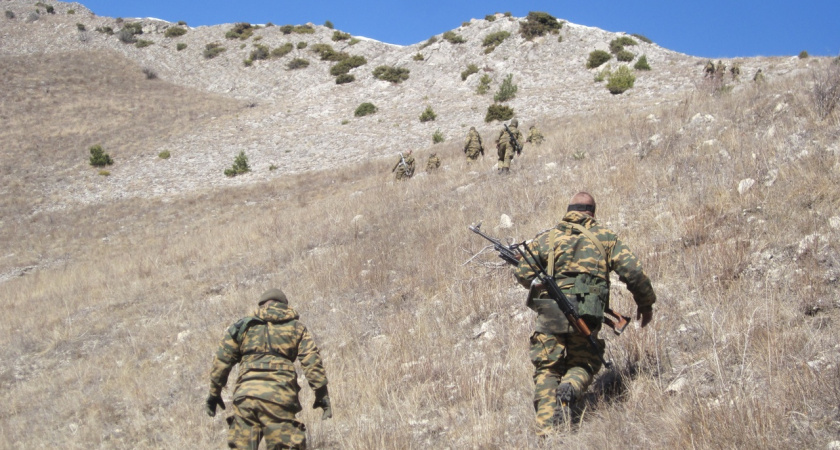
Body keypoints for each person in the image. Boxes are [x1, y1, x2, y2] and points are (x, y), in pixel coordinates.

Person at [512, 192, 656, 435]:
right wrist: (646, 303)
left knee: (547, 368)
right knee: (585, 361)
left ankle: (548, 432)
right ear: (592, 213)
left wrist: (543, 282)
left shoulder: (547, 238)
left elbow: (524, 274)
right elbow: (633, 273)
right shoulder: (606, 238)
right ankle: (570, 386)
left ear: (568, 211)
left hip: (550, 312)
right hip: (586, 312)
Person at [205, 288, 331, 449]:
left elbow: (221, 361)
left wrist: (214, 393)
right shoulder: (296, 328)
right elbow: (312, 362)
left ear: (262, 305)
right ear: (284, 306)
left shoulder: (242, 327)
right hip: (279, 396)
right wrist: (322, 394)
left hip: (246, 398)